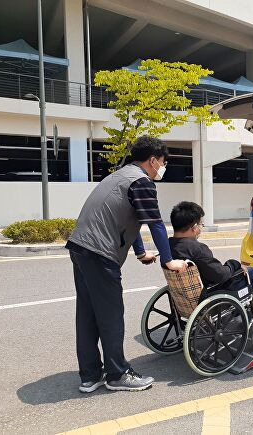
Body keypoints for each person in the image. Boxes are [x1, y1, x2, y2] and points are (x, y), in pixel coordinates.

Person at [66, 136, 187, 393]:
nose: (162, 169)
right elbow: (154, 222)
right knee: (110, 316)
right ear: (153, 160)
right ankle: (117, 374)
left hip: (80, 247)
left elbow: (126, 220)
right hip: (100, 253)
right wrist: (168, 260)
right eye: (162, 163)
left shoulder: (119, 176)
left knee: (87, 314)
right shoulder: (142, 181)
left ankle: (90, 375)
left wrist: (141, 252)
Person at [168, 201, 253, 327]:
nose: (201, 228)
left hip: (186, 297)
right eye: (201, 224)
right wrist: (234, 264)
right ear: (194, 228)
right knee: (252, 272)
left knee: (240, 271)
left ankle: (241, 311)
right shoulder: (197, 248)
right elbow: (220, 275)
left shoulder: (169, 247)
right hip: (210, 293)